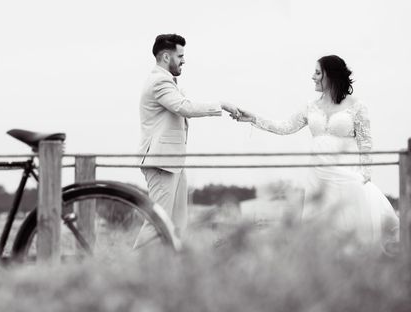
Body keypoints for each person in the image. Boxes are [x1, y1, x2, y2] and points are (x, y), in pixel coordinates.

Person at [236, 55, 399, 250]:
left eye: (317, 72)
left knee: (353, 227)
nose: (312, 76)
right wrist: (253, 118)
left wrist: (366, 173)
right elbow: (284, 126)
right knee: (322, 229)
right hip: (318, 176)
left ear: (330, 75)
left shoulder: (357, 106)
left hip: (346, 174)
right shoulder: (310, 107)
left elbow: (366, 142)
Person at [134, 34, 240, 248]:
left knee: (176, 224)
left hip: (173, 162)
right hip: (161, 162)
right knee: (158, 221)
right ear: (166, 56)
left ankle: (169, 268)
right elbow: (185, 108)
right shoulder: (159, 81)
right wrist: (221, 105)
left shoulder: (166, 81)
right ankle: (129, 267)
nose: (184, 60)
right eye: (180, 56)